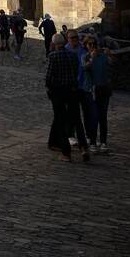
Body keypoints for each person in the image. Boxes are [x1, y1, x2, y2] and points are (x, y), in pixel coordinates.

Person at [45, 33, 82, 162]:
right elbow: (77, 70)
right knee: (62, 118)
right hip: (71, 90)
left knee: (60, 119)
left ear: (54, 44)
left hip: (58, 92)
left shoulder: (53, 56)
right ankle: (53, 142)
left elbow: (49, 76)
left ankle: (65, 152)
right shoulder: (72, 55)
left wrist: (49, 89)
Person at [65, 30, 92, 159]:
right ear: (67, 39)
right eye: (72, 38)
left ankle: (87, 135)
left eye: (76, 37)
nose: (74, 39)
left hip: (83, 86)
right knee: (74, 114)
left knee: (86, 111)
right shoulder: (65, 51)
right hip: (71, 87)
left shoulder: (83, 50)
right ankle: (72, 136)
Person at [83, 36, 113, 152]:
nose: (92, 46)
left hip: (104, 89)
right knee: (94, 117)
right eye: (89, 44)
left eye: (94, 44)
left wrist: (109, 55)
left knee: (103, 117)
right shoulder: (85, 56)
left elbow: (111, 64)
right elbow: (84, 68)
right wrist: (91, 59)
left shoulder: (102, 56)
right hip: (93, 90)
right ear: (86, 46)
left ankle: (103, 142)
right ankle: (92, 142)